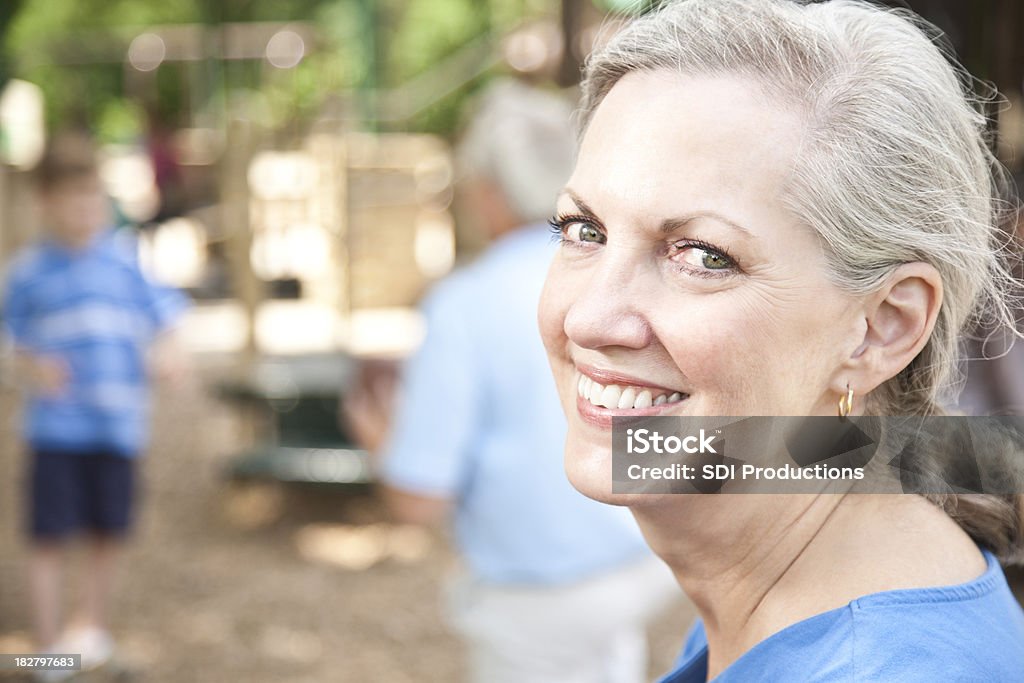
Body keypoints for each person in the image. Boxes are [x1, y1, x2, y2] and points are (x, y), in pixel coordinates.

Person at [537, 0, 1024, 681]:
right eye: (583, 229)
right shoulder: (777, 589)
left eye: (703, 255)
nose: (589, 318)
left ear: (883, 326)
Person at [343, 78, 680, 683]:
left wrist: (377, 435)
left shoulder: (468, 304)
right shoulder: (640, 277)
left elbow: (418, 498)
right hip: (645, 559)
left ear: (488, 191)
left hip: (542, 591)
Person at [0, 131, 188, 679]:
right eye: (72, 199)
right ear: (46, 203)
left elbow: (167, 317)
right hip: (55, 429)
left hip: (118, 427)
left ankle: (89, 631)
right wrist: (26, 365)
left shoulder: (125, 262)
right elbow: (6, 340)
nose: (85, 210)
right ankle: (48, 649)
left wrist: (170, 352)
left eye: (93, 198)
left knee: (109, 530)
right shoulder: (28, 271)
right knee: (48, 537)